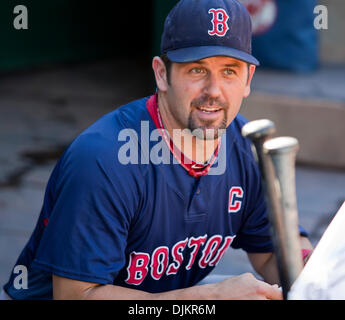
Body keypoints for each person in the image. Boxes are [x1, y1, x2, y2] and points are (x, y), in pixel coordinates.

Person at [1, 0, 312, 300]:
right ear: (162, 74)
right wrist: (207, 300)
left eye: (229, 71)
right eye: (197, 70)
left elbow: (272, 253)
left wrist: (314, 270)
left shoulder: (244, 146)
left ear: (248, 80)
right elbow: (75, 296)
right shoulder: (105, 159)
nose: (214, 91)